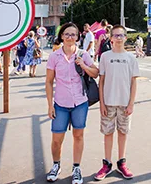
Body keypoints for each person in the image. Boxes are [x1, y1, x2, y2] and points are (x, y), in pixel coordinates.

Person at [45, 23, 99, 184]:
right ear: (61, 36)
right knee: (57, 138)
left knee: (78, 135)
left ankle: (76, 168)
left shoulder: (83, 54)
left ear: (78, 37)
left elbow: (95, 73)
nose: (70, 37)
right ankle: (56, 165)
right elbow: (48, 82)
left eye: (73, 34)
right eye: (67, 34)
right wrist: (49, 105)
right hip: (60, 103)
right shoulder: (54, 56)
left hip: (80, 102)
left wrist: (83, 65)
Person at [94, 25, 139, 181]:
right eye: (116, 35)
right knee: (108, 133)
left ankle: (122, 162)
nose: (119, 38)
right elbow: (102, 80)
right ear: (111, 38)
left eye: (122, 35)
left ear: (125, 38)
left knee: (123, 132)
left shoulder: (131, 58)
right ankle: (106, 163)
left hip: (125, 103)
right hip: (108, 101)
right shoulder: (105, 56)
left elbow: (134, 82)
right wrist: (102, 103)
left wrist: (131, 103)